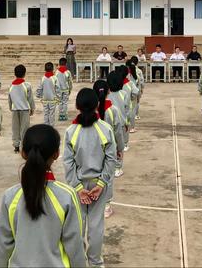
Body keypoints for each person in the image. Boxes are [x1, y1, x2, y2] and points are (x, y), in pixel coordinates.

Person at [0, 124, 86, 267]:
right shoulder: (67, 196)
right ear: (56, 154)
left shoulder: (10, 196)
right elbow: (75, 246)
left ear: (23, 153)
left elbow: (3, 246)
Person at [63, 88, 117, 267]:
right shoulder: (105, 129)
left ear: (77, 106)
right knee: (96, 226)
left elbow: (68, 163)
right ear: (97, 105)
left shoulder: (71, 131)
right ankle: (95, 262)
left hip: (77, 184)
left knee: (77, 226)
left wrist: (78, 188)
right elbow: (111, 159)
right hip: (97, 184)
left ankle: (78, 262)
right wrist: (101, 183)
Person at [93, 79, 125, 219]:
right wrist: (120, 147)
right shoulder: (112, 110)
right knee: (108, 177)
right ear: (109, 92)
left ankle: (93, 201)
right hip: (109, 149)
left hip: (93, 148)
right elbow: (118, 131)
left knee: (93, 174)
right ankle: (106, 206)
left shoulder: (90, 110)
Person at [9, 65, 35, 154]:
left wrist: (10, 107)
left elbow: (10, 99)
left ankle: (16, 146)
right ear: (24, 74)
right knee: (24, 128)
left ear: (15, 74)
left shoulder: (11, 86)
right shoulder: (27, 85)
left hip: (15, 109)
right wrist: (32, 108)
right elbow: (30, 98)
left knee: (15, 128)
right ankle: (24, 146)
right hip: (24, 109)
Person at [107, 71, 128, 174]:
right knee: (120, 146)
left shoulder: (107, 95)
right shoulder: (124, 94)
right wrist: (127, 121)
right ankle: (118, 167)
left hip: (108, 124)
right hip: (121, 123)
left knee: (110, 146)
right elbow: (127, 109)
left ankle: (109, 166)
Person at [36, 62, 60, 126]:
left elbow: (40, 88)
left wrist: (39, 95)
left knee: (46, 113)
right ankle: (51, 127)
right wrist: (58, 97)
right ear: (53, 69)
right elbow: (57, 89)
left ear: (45, 69)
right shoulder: (54, 78)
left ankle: (46, 126)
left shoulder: (43, 78)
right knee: (52, 114)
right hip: (53, 99)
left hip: (45, 99)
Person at [55, 57, 73, 122]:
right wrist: (70, 89)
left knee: (60, 102)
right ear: (66, 64)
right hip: (65, 89)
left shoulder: (57, 72)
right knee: (65, 102)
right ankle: (64, 115)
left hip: (59, 90)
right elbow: (70, 81)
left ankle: (60, 115)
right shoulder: (68, 72)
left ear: (59, 64)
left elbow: (55, 81)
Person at [125, 61, 140, 133]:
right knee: (132, 111)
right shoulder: (136, 76)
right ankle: (132, 127)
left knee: (126, 111)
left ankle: (129, 126)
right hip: (133, 95)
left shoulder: (127, 76)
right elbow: (138, 86)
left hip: (126, 94)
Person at [130, 55, 145, 120]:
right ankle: (136, 114)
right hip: (137, 88)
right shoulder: (139, 71)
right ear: (137, 62)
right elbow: (142, 81)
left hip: (129, 88)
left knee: (129, 101)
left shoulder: (128, 70)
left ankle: (130, 114)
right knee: (137, 101)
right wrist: (142, 88)